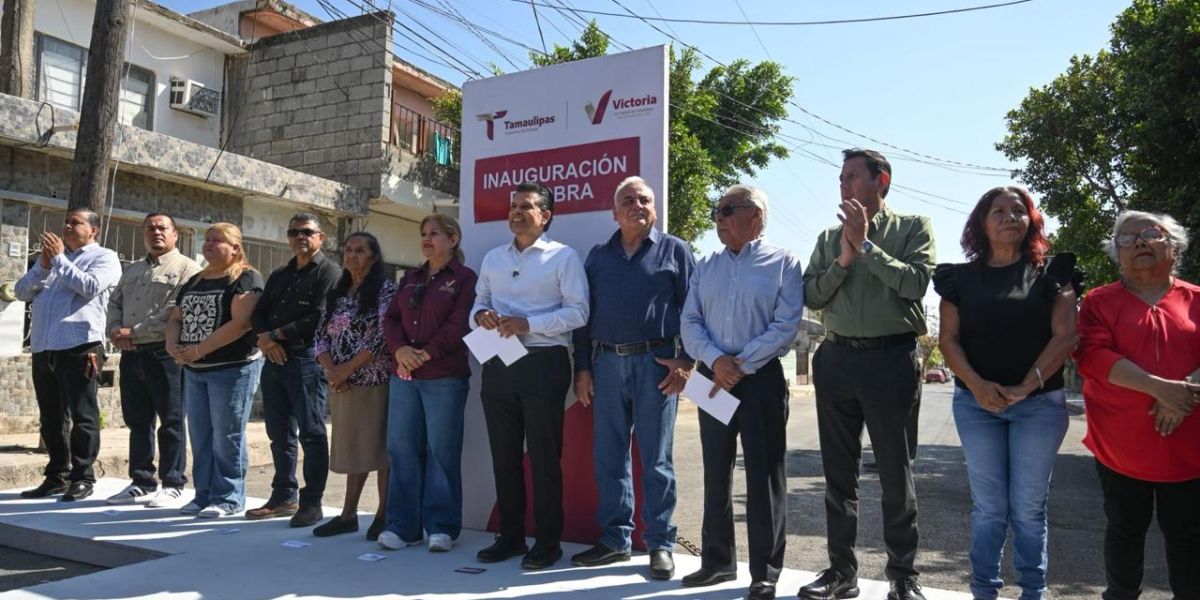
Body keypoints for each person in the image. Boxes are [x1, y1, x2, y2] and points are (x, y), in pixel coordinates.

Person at [933, 187, 1082, 600]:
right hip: (976, 406)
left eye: (1019, 211)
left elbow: (1065, 336)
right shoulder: (958, 279)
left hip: (1039, 407)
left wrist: (1025, 387)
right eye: (998, 211)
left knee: (1029, 509)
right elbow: (948, 341)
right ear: (981, 222)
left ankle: (1032, 591)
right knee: (989, 508)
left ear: (1031, 220)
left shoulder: (1054, 273)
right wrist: (979, 387)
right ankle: (985, 591)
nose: (1009, 217)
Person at [800, 149, 935, 600]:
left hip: (890, 360)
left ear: (883, 181)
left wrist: (867, 247)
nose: (843, 185)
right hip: (836, 360)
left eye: (853, 177)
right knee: (839, 475)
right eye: (840, 177)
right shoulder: (827, 237)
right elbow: (812, 294)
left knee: (896, 475)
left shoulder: (913, 227)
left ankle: (902, 576)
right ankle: (842, 572)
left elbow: (916, 283)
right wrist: (843, 257)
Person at [679, 185, 804, 600]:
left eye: (728, 209)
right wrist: (716, 360)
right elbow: (690, 322)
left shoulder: (784, 262)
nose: (719, 217)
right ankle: (716, 562)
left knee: (764, 477)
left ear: (756, 215)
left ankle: (764, 573)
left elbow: (786, 325)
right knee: (715, 471)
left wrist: (741, 363)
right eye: (717, 210)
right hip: (711, 378)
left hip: (762, 380)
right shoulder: (705, 266)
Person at [570, 177, 695, 580]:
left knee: (656, 459)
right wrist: (582, 368)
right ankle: (615, 540)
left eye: (644, 199)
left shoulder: (675, 250)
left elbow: (694, 311)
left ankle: (660, 544)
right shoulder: (597, 256)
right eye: (628, 200)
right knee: (609, 456)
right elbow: (583, 318)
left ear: (654, 209)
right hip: (605, 365)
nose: (637, 205)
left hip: (656, 365)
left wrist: (687, 361)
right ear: (614, 212)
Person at [1075, 210, 1200, 600]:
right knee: (1125, 531)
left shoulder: (1196, 299)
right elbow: (1092, 357)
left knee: (1189, 539)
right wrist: (1160, 389)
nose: (1140, 242)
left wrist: (1182, 395)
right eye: (1127, 239)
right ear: (1117, 254)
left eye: (1150, 233)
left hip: (1189, 446)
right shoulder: (1098, 302)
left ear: (1174, 247)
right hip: (1120, 447)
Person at [471, 182, 589, 570]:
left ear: (546, 215)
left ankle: (549, 542)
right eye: (513, 206)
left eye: (526, 207)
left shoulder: (564, 257)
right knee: (503, 456)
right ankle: (511, 537)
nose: (516, 213)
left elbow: (578, 313)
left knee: (543, 457)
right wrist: (481, 316)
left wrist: (529, 323)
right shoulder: (493, 258)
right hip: (498, 363)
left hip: (543, 363)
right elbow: (480, 302)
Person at [380, 214, 477, 552]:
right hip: (404, 376)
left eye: (434, 233)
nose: (426, 238)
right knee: (401, 448)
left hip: (444, 377)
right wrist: (401, 349)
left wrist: (425, 354)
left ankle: (441, 526)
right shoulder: (410, 277)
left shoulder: (465, 278)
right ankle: (403, 526)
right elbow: (390, 318)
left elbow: (459, 323)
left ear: (453, 240)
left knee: (441, 451)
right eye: (423, 233)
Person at [16, 209, 122, 502]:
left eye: (75, 222)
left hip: (80, 346)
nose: (67, 226)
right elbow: (21, 291)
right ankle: (57, 476)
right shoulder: (50, 262)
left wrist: (60, 260)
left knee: (83, 415)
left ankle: (83, 477)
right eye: (66, 222)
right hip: (43, 347)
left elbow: (89, 287)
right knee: (51, 418)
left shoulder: (105, 258)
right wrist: (43, 266)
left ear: (94, 230)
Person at [248, 213, 340, 527]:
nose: (299, 237)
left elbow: (319, 316)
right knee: (278, 434)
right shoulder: (279, 274)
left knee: (312, 434)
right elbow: (259, 314)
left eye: (306, 232)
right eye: (293, 232)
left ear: (321, 237)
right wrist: (266, 341)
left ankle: (312, 502)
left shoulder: (330, 273)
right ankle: (283, 495)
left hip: (306, 361)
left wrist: (275, 335)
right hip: (273, 360)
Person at [166, 223, 264, 518]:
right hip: (195, 370)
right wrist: (173, 346)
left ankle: (229, 497)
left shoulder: (246, 277)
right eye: (207, 239)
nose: (208, 244)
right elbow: (175, 317)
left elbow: (241, 323)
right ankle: (204, 494)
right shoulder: (196, 279)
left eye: (217, 240)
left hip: (232, 369)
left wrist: (198, 349)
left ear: (236, 247)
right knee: (201, 435)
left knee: (227, 435)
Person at [105, 213, 202, 507]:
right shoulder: (132, 270)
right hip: (132, 354)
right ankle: (141, 481)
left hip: (165, 352)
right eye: (150, 228)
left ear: (175, 234)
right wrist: (113, 330)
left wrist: (133, 331)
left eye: (162, 228)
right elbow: (114, 302)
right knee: (138, 421)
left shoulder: (188, 269)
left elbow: (176, 309)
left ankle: (172, 482)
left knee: (171, 420)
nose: (156, 232)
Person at [312, 233, 397, 540]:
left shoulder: (386, 290)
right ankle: (348, 515)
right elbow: (320, 335)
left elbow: (383, 337)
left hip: (374, 381)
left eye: (360, 250)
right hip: (341, 385)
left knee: (379, 449)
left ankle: (384, 514)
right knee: (353, 450)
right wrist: (331, 370)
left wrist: (345, 369)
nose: (352, 255)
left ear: (374, 256)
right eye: (348, 250)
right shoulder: (338, 292)